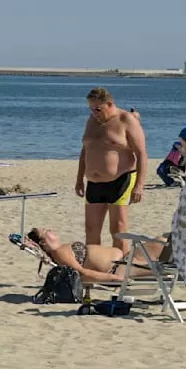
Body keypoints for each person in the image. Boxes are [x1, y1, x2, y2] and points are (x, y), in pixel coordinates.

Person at [75, 88, 146, 250]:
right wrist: (79, 179)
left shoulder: (126, 120)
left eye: (97, 109)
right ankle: (95, 266)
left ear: (109, 104)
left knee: (118, 229)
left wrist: (140, 185)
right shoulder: (92, 120)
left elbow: (141, 154)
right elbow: (86, 150)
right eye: (91, 109)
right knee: (91, 230)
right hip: (93, 182)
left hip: (120, 180)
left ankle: (121, 270)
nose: (94, 112)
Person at [26, 227, 168, 284]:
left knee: (165, 240)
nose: (50, 229)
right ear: (44, 242)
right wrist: (114, 277)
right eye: (46, 231)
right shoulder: (59, 252)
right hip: (120, 269)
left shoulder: (63, 248)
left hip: (127, 259)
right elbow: (83, 274)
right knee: (167, 262)